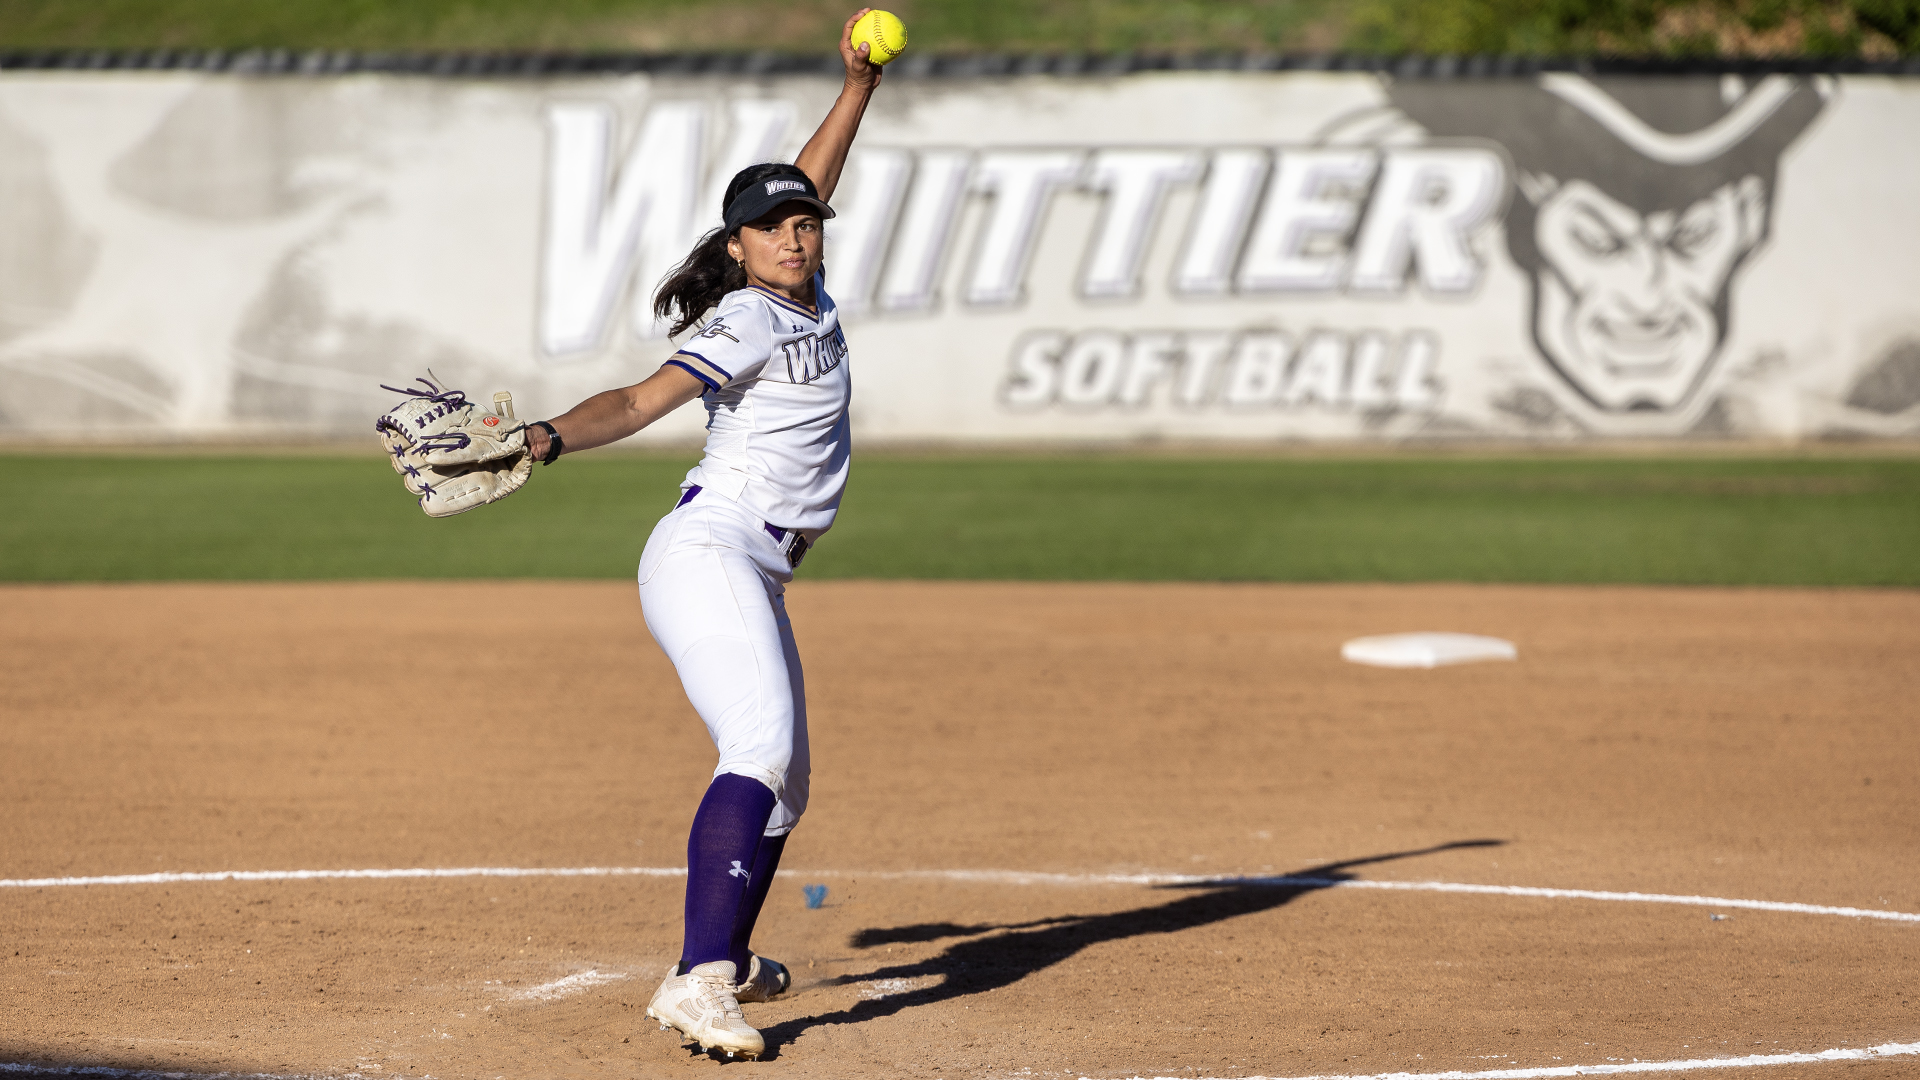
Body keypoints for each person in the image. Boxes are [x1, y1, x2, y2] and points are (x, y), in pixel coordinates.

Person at [517, 10, 884, 1061]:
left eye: (807, 221)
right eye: (775, 227)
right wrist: (546, 436)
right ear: (739, 249)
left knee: (788, 782)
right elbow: (638, 402)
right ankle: (702, 979)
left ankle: (721, 948)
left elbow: (807, 177)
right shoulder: (748, 317)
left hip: (756, 568)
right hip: (710, 550)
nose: (798, 234)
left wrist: (856, 86)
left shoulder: (805, 289)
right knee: (757, 748)